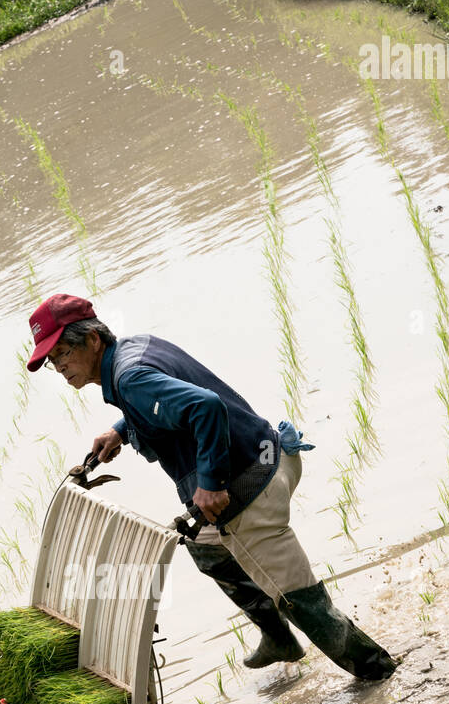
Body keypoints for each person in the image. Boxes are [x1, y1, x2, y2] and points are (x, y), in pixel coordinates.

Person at [26, 292, 396, 681]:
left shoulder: (130, 378)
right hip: (270, 455)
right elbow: (170, 399)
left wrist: (210, 484)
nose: (61, 365)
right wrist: (121, 430)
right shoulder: (132, 352)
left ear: (93, 340)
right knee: (206, 548)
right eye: (53, 360)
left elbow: (205, 406)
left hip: (250, 494)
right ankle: (278, 638)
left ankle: (381, 674)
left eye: (64, 352)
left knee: (296, 598)